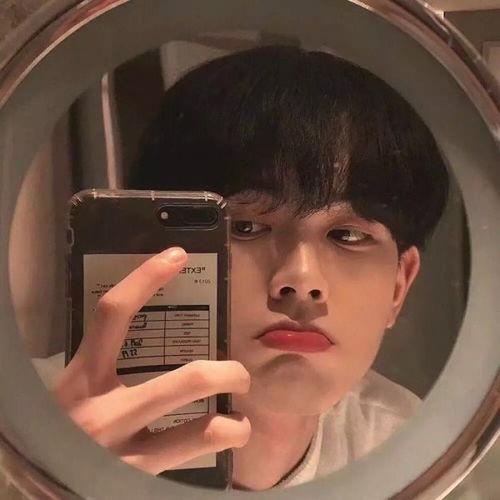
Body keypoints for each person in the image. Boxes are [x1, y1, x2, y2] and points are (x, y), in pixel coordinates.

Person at [46, 45, 449, 490]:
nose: (301, 281)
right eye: (246, 226)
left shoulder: (419, 455)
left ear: (399, 286)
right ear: (154, 246)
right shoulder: (33, 421)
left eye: (348, 236)